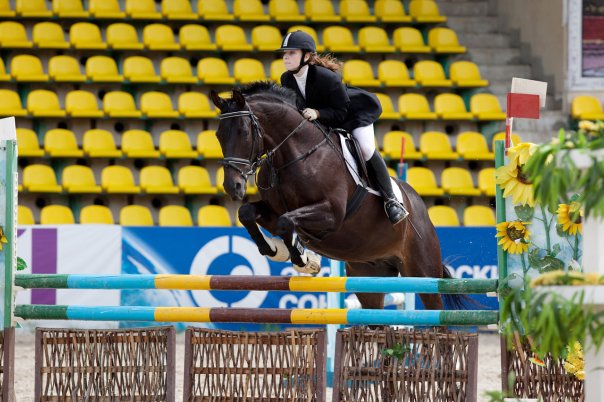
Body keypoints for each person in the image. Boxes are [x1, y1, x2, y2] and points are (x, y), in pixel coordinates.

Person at [278, 30, 409, 225]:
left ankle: (391, 200)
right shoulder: (286, 79)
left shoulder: (326, 78)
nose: (286, 58)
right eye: (284, 54)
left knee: (365, 148)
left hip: (353, 115)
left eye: (291, 53)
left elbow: (341, 111)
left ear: (306, 56)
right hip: (321, 120)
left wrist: (318, 113)